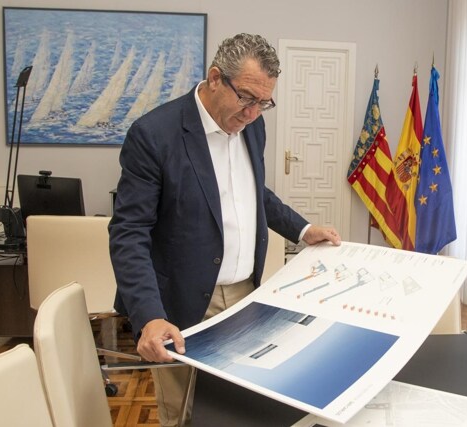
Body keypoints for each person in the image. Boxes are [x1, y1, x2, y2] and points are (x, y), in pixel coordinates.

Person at [108, 33, 341, 427]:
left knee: (242, 409)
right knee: (185, 413)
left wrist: (301, 229)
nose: (253, 113)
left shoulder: (252, 126)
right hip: (180, 303)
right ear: (216, 78)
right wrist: (148, 315)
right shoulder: (154, 135)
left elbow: (253, 191)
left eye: (264, 102)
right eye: (247, 98)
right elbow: (129, 233)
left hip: (246, 294)